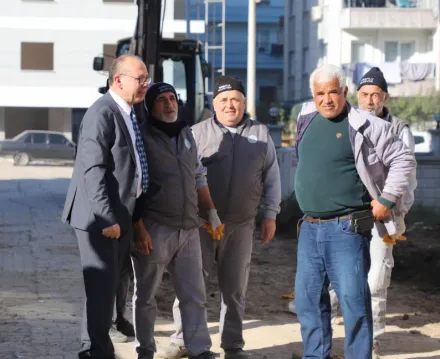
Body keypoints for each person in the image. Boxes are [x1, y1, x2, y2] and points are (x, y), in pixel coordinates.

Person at [293, 64, 416, 359]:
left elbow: (403, 159)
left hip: (346, 229)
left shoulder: (364, 124)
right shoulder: (306, 119)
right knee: (308, 300)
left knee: (354, 302)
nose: (327, 99)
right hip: (309, 228)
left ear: (344, 92)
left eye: (333, 91)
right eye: (320, 93)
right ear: (313, 94)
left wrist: (387, 199)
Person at [163, 75, 282, 359]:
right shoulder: (195, 133)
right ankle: (182, 339)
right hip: (200, 226)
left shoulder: (261, 134)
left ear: (244, 103)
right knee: (190, 285)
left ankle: (233, 345)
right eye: (224, 100)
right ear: (214, 103)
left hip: (241, 225)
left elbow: (272, 178)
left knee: (235, 289)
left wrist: (271, 214)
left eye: (236, 100)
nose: (230, 106)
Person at [61, 54, 150, 359]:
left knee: (105, 290)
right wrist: (105, 216)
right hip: (100, 219)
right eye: (140, 79)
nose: (145, 85)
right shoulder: (102, 113)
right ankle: (98, 352)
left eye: (146, 79)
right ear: (118, 80)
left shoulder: (127, 112)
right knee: (101, 291)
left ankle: (91, 349)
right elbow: (92, 169)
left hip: (120, 217)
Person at [131, 82, 218, 359]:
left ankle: (199, 348)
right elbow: (131, 184)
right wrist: (139, 227)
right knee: (146, 296)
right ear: (150, 106)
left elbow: (198, 175)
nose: (169, 105)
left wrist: (211, 212)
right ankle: (145, 349)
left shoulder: (186, 134)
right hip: (154, 228)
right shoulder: (141, 138)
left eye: (172, 99)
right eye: (161, 100)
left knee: (194, 295)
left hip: (189, 229)